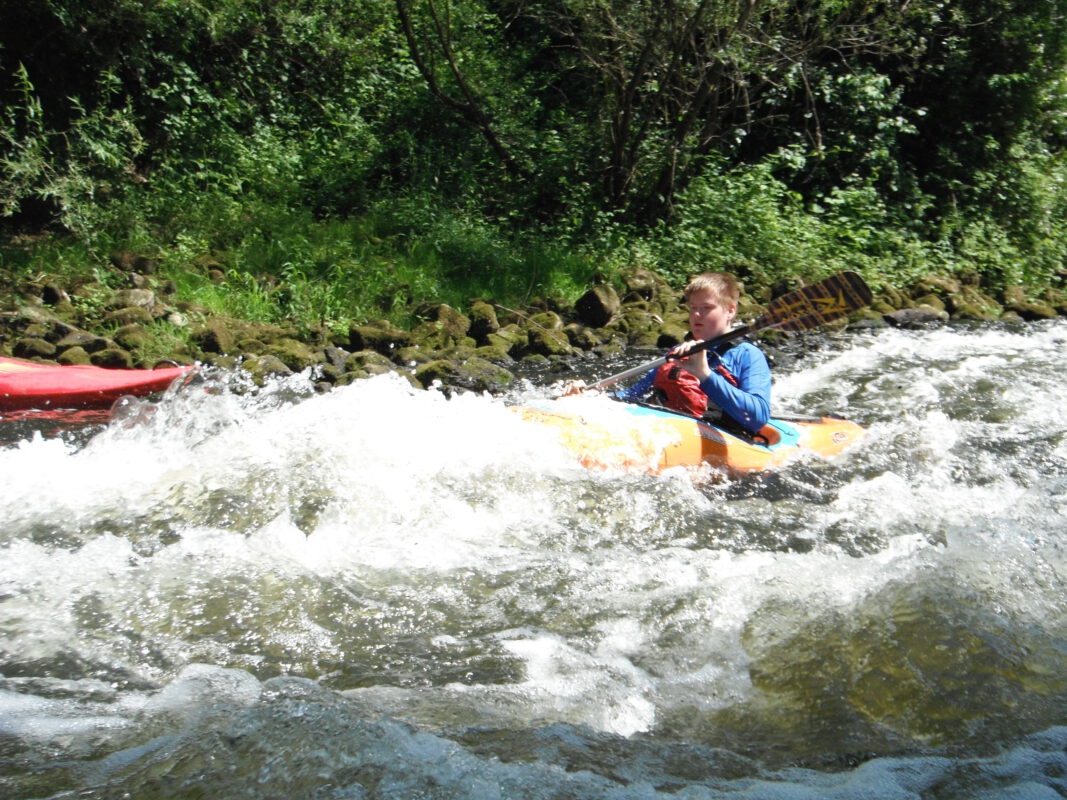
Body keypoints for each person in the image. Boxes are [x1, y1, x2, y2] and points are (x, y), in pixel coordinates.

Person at [566, 272, 772, 434]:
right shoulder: (678, 353)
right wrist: (593, 398)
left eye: (707, 308)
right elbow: (634, 395)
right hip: (668, 433)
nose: (696, 315)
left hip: (719, 438)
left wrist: (705, 375)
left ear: (730, 310)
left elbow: (758, 417)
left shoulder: (747, 355)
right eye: (692, 308)